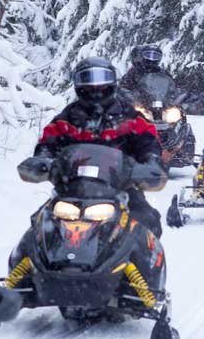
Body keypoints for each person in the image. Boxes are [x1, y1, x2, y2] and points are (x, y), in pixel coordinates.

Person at [32, 56, 167, 237]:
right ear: (78, 85)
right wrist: (43, 160)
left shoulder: (130, 117)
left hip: (121, 188)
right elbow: (48, 142)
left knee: (147, 223)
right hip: (72, 189)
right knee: (39, 226)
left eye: (102, 80)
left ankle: (143, 264)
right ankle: (33, 264)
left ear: (112, 82)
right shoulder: (67, 118)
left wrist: (151, 162)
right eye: (88, 81)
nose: (96, 88)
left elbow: (148, 142)